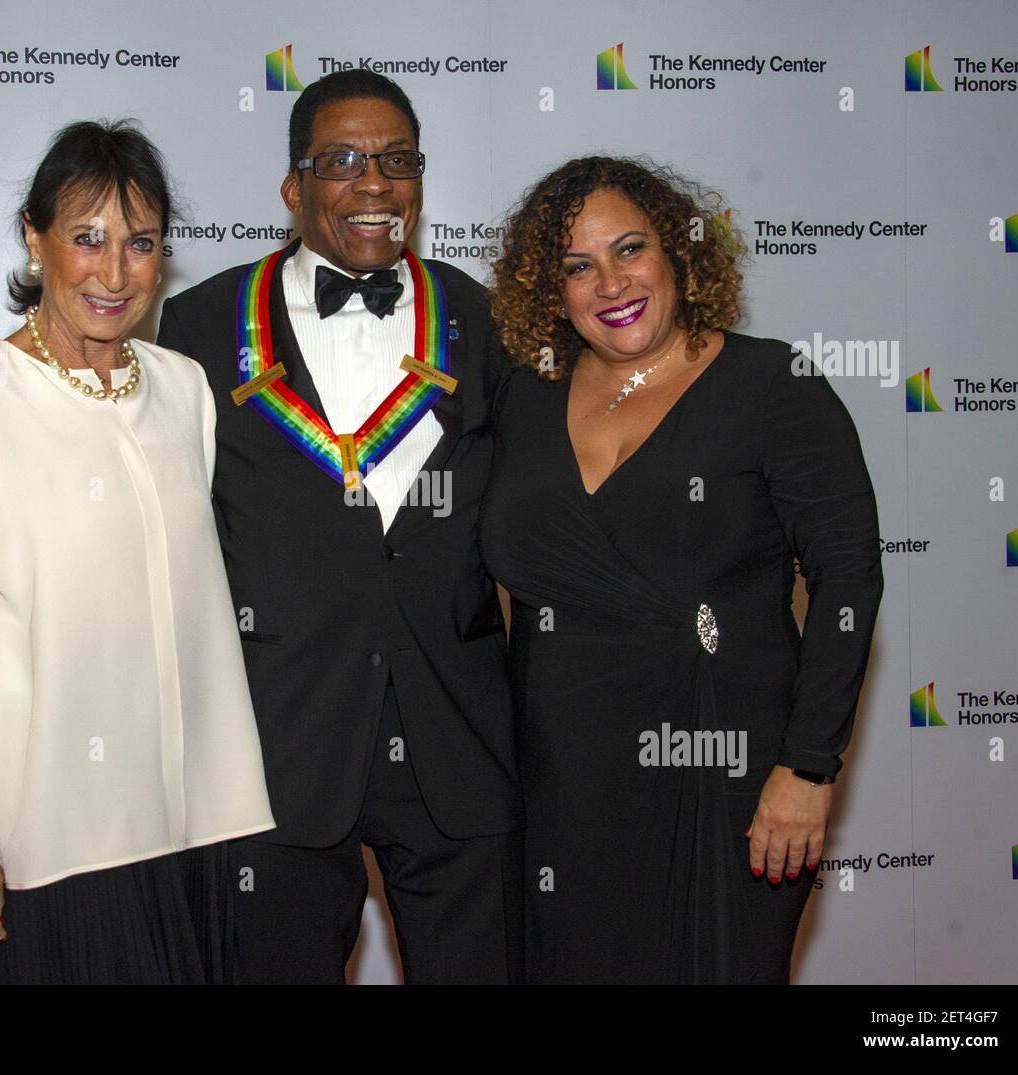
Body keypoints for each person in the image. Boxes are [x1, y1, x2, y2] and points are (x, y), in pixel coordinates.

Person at [157, 69, 523, 984]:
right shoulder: (200, 325)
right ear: (295, 188)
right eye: (344, 160)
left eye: (397, 160)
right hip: (275, 747)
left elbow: (556, 506)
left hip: (457, 742)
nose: (374, 182)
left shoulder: (483, 321)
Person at [482, 156, 882, 983]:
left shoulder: (773, 385)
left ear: (679, 254)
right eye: (577, 266)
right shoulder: (523, 399)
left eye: (630, 250)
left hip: (728, 775)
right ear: (550, 289)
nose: (610, 283)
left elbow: (848, 578)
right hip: (561, 788)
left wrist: (808, 767)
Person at [0, 120, 274, 985]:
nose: (115, 273)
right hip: (52, 835)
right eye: (87, 239)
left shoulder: (183, 389)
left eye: (140, 244)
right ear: (35, 240)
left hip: (191, 819)